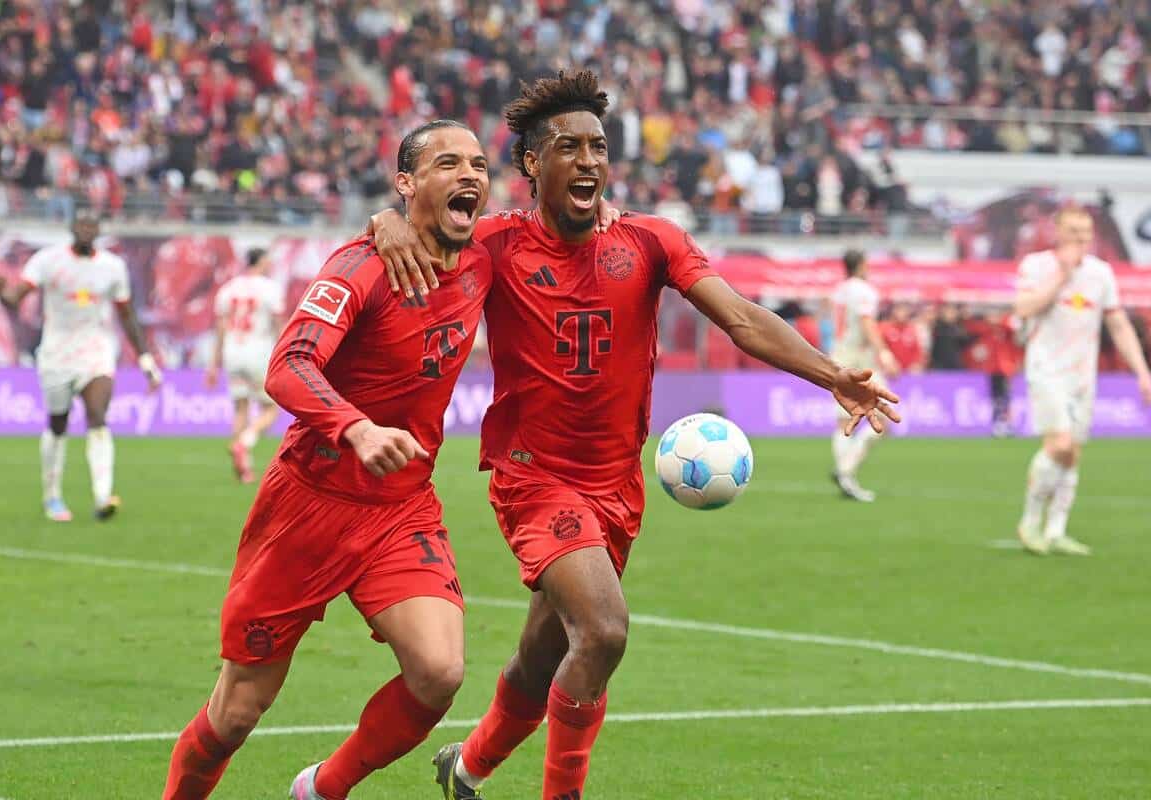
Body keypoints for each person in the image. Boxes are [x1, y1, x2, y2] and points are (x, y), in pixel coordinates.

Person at [368, 70, 900, 800]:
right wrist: (387, 221)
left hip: (616, 484)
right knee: (606, 632)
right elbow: (414, 227)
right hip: (534, 477)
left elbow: (741, 318)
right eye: (568, 147)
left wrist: (832, 373)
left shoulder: (651, 241)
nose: (588, 160)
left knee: (539, 657)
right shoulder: (495, 245)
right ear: (530, 164)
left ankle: (468, 766)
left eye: (598, 146)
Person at [161, 120, 494, 800]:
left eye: (480, 165)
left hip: (400, 507)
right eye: (447, 163)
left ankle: (322, 788)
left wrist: (600, 206)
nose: (470, 175)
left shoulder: (489, 253)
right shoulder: (360, 266)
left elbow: (566, 220)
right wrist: (356, 428)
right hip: (307, 505)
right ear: (406, 184)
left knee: (439, 671)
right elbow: (288, 365)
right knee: (238, 711)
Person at [0, 208, 161, 522]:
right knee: (58, 424)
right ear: (72, 227)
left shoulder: (112, 267)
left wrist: (145, 359)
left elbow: (126, 315)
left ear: (98, 230)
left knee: (98, 416)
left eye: (91, 225)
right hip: (56, 353)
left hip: (96, 351)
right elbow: (17, 297)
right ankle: (52, 496)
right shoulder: (48, 260)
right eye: (81, 224)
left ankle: (102, 496)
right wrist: (2, 292)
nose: (86, 229)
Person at [1013, 207, 1151, 555]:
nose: (1081, 238)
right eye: (1074, 231)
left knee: (1072, 453)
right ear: (1056, 232)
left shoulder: (1100, 274)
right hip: (1046, 370)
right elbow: (1024, 308)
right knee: (1058, 443)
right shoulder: (1036, 266)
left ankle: (1056, 530)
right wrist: (1062, 275)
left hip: (1082, 377)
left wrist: (1142, 372)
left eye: (1086, 232)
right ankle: (1030, 521)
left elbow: (1118, 324)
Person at [206, 247, 286, 483]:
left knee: (240, 408)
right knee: (271, 408)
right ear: (261, 262)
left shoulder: (228, 288)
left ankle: (243, 469)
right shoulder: (270, 288)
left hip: (233, 353)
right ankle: (244, 442)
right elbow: (278, 323)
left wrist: (214, 364)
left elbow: (220, 328)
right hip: (257, 353)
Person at [828, 249, 900, 502]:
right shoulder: (864, 290)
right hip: (859, 360)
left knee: (843, 422)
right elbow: (867, 322)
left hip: (838, 355)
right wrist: (885, 353)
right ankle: (846, 470)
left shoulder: (839, 290)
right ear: (861, 265)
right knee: (885, 419)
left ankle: (845, 477)